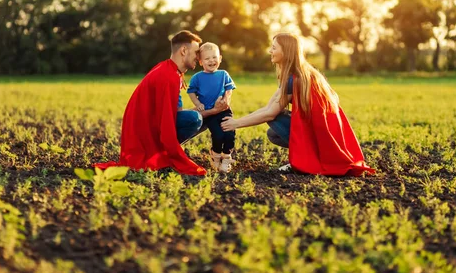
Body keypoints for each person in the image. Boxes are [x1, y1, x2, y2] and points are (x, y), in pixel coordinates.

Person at [221, 33, 375, 176]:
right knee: (273, 134)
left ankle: (305, 161)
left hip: (320, 135)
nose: (270, 51)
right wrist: (236, 122)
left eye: (274, 48)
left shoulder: (294, 79)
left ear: (286, 52)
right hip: (322, 133)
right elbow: (268, 107)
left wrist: (236, 124)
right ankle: (308, 158)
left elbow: (270, 114)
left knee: (275, 119)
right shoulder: (298, 73)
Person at [94, 31, 228, 175]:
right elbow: (168, 121)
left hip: (150, 127)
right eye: (196, 52)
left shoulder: (172, 71)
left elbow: (176, 112)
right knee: (195, 118)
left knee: (204, 118)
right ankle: (163, 154)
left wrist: (210, 111)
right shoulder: (168, 76)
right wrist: (213, 111)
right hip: (144, 135)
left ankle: (169, 151)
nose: (198, 57)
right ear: (183, 50)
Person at [187, 42, 237, 173]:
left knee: (230, 132)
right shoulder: (197, 78)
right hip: (210, 112)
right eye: (207, 58)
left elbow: (229, 89)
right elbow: (191, 92)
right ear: (201, 62)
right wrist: (198, 104)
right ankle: (215, 155)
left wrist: (226, 99)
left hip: (224, 109)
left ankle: (226, 157)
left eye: (214, 57)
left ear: (220, 58)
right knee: (218, 134)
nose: (211, 61)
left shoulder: (223, 74)